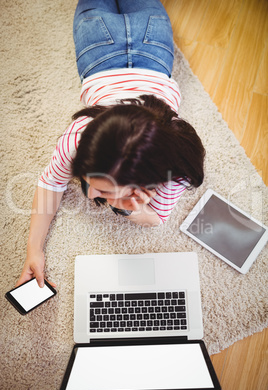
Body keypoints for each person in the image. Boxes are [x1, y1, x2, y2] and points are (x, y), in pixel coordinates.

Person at [16, 0, 205, 289]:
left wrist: (129, 209)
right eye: (98, 187)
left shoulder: (176, 169)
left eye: (102, 190)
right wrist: (34, 250)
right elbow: (50, 183)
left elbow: (157, 219)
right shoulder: (79, 135)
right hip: (143, 45)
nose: (90, 196)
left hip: (103, 49)